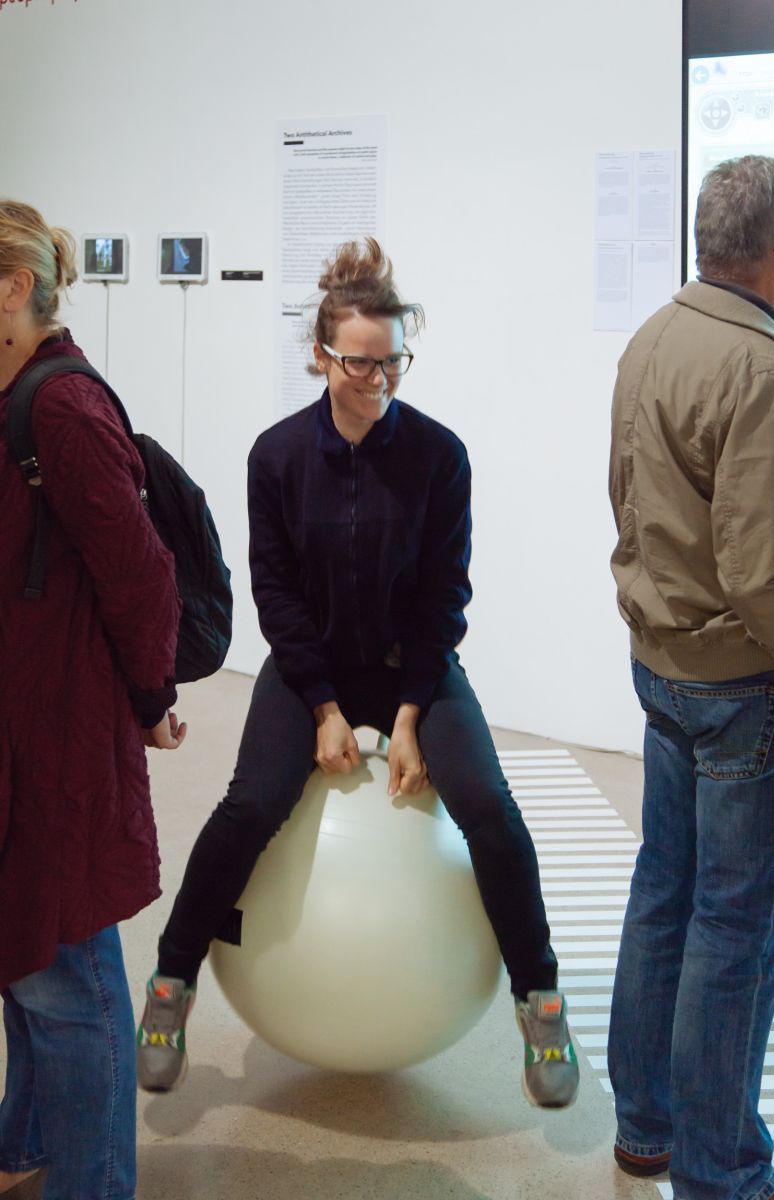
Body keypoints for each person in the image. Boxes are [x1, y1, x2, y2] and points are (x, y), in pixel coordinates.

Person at [136, 237, 579, 1109]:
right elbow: (275, 593)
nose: (378, 381)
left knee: (490, 808)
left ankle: (541, 998)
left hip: (415, 667)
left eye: (393, 362)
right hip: (312, 668)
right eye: (359, 363)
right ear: (321, 356)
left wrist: (409, 715)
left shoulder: (440, 456)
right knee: (250, 805)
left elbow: (445, 595)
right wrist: (322, 706)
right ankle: (170, 983)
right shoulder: (276, 457)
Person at [608, 155, 774, 1200]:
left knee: (664, 893)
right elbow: (766, 577)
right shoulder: (765, 370)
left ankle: (647, 1127)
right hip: (747, 689)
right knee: (737, 926)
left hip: (662, 668)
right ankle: (719, 1172)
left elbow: (629, 505)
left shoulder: (651, 338)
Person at [0, 201, 186, 1200]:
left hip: (58, 732)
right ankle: (27, 1142)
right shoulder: (14, 393)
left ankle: (95, 1181)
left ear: (15, 288)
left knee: (63, 970)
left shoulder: (62, 410)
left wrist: (150, 695)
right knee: (22, 950)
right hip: (19, 722)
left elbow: (142, 575)